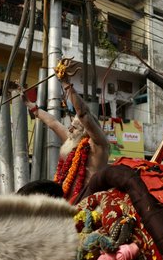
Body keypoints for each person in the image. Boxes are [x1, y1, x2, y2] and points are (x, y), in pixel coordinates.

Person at [23, 58, 110, 203]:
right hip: (65, 204)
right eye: (71, 125)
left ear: (87, 130)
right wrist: (29, 104)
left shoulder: (98, 145)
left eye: (75, 126)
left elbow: (83, 114)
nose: (70, 128)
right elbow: (53, 122)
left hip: (88, 205)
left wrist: (65, 83)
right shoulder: (73, 141)